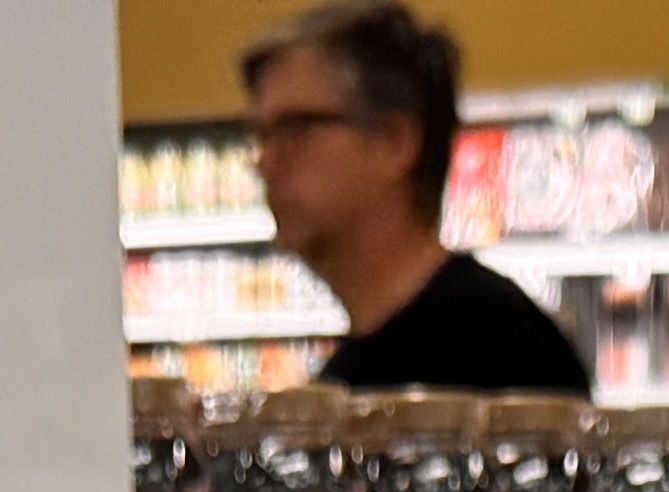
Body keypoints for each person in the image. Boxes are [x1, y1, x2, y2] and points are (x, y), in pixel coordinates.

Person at [244, 4, 590, 400]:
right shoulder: (351, 375)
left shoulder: (507, 350)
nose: (264, 162)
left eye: (295, 129)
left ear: (395, 142)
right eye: (260, 136)